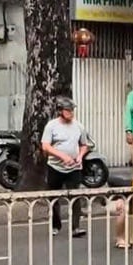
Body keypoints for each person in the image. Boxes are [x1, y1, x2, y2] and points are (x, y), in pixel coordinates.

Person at [41, 97, 87, 238]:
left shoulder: (79, 126)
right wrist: (62, 156)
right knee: (53, 196)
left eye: (72, 110)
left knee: (75, 196)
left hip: (74, 167)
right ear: (60, 111)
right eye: (67, 110)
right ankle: (55, 225)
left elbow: (84, 145)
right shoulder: (51, 126)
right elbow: (45, 146)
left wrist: (79, 156)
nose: (71, 113)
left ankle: (76, 227)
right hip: (55, 166)